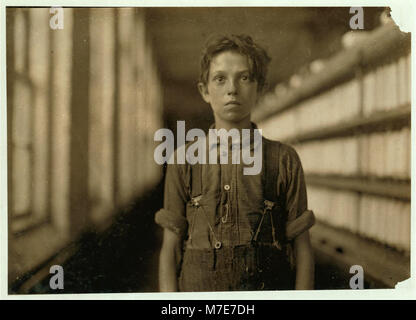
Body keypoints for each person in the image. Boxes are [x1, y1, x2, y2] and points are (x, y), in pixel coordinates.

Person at [155, 34, 315, 291]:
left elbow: (303, 249)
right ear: (205, 91)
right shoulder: (183, 159)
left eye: (244, 77)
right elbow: (170, 250)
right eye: (220, 79)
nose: (232, 89)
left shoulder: (284, 159)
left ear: (260, 88)